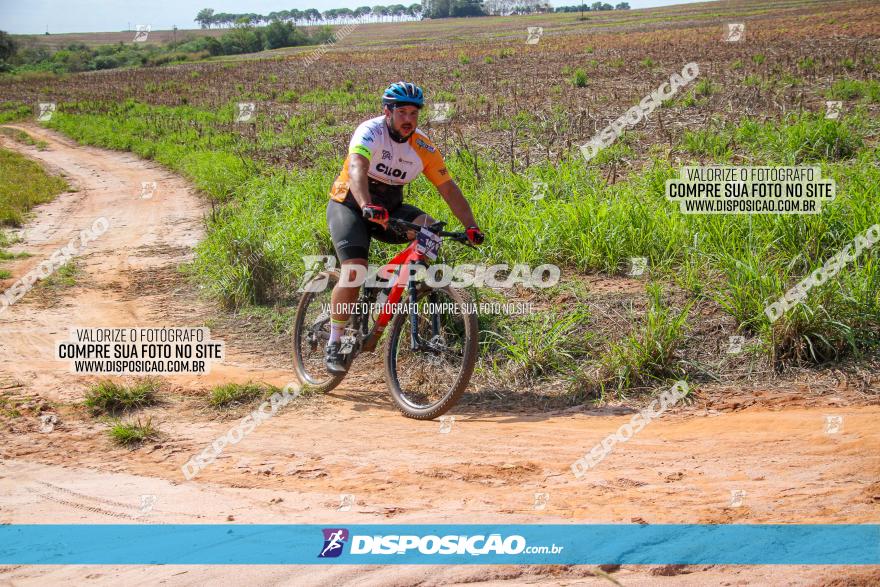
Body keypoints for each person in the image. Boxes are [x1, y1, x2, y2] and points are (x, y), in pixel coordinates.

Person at [324, 81, 484, 374]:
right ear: (387, 111)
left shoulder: (422, 146)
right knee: (354, 269)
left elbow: (448, 188)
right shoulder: (370, 131)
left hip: (390, 209)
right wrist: (365, 204)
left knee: (432, 229)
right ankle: (335, 340)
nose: (408, 119)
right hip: (350, 204)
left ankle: (398, 287)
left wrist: (471, 226)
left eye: (414, 113)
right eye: (402, 113)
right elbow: (357, 167)